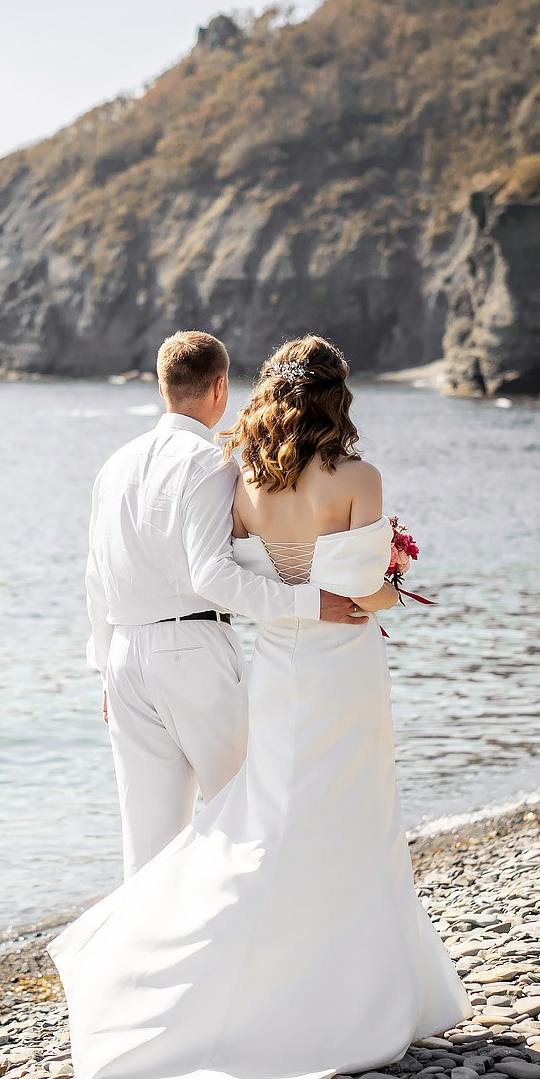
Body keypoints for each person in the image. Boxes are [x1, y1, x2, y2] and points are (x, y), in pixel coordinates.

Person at [52, 334, 468, 1079]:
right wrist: (393, 576)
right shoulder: (339, 475)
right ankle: (329, 988)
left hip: (235, 668)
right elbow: (361, 591)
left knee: (243, 826)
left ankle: (153, 974)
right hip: (318, 668)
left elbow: (98, 570)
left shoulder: (229, 478)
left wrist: (101, 659)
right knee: (324, 819)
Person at [83, 330, 369, 875]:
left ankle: (150, 956)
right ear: (220, 387)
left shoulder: (114, 465)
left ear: (162, 385)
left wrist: (103, 665)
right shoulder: (210, 461)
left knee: (148, 837)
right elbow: (212, 574)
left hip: (122, 657)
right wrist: (309, 602)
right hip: (191, 648)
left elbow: (96, 578)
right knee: (242, 810)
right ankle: (247, 943)